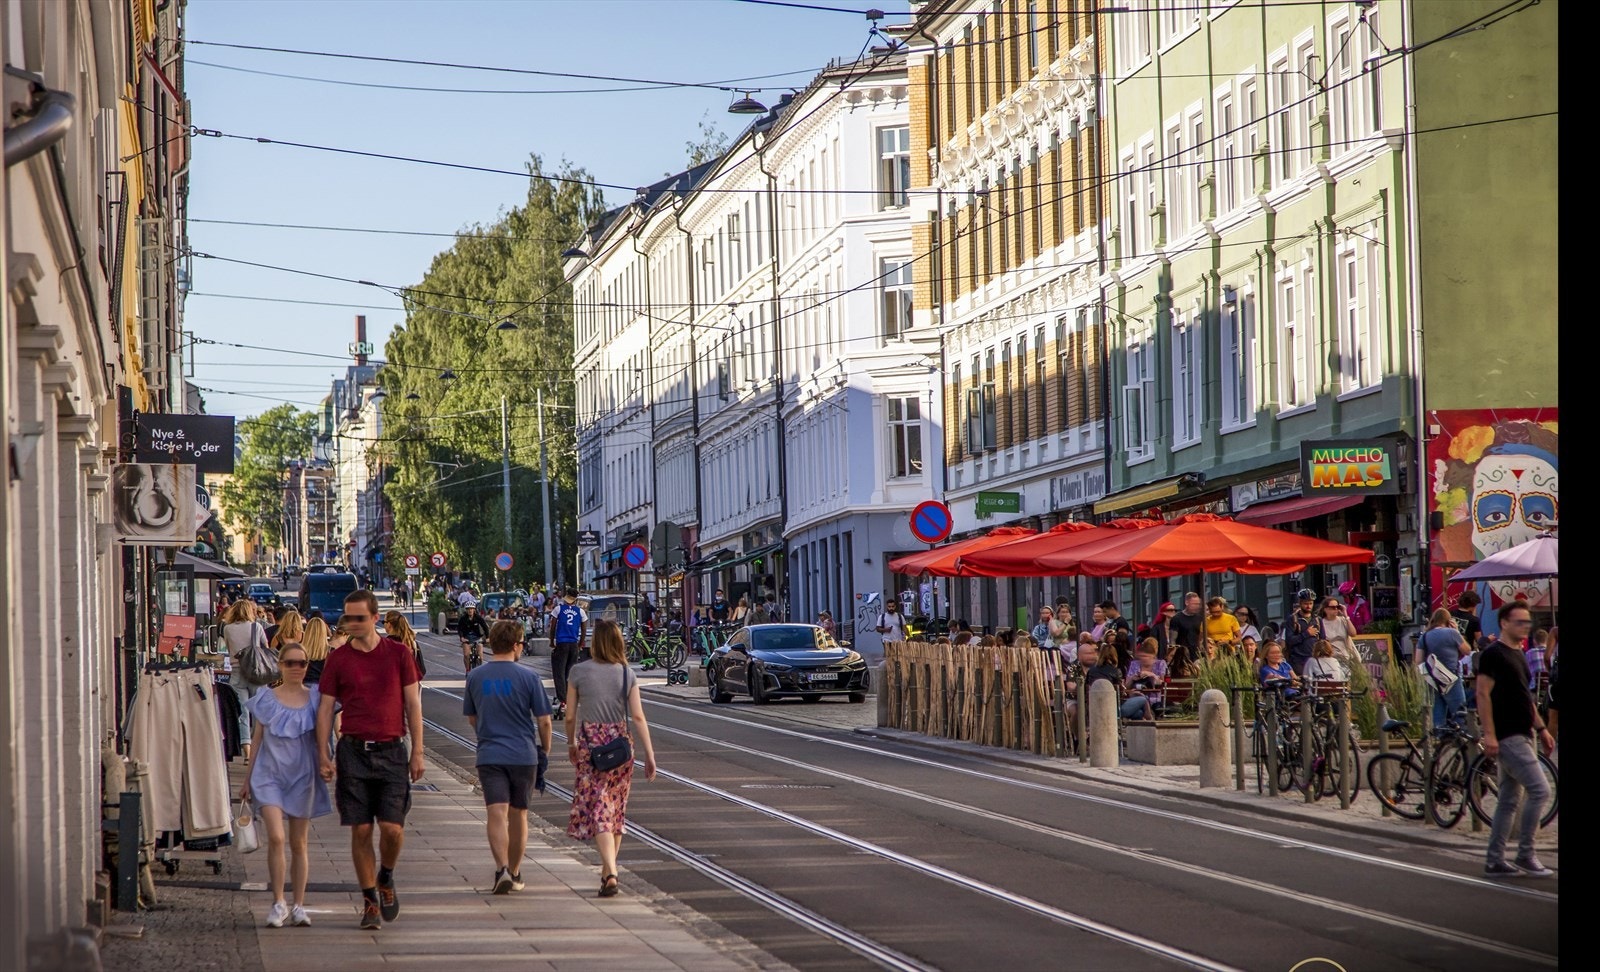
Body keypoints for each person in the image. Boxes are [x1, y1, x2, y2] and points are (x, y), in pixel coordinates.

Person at [315, 590, 425, 930]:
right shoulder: (339, 659)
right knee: (361, 829)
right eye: (349, 618)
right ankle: (369, 902)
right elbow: (325, 709)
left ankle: (386, 876)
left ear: (376, 618)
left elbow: (413, 704)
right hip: (353, 752)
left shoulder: (398, 653)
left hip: (392, 751)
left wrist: (418, 751)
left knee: (392, 829)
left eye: (360, 618)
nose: (353, 623)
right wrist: (323, 753)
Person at [241, 643, 332, 928]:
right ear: (280, 665)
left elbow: (326, 734)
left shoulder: (316, 697)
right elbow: (256, 739)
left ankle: (299, 905)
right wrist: (247, 778)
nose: (296, 668)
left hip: (303, 776)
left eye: (301, 663)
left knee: (299, 842)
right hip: (268, 775)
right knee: (277, 837)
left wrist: (328, 761)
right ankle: (278, 901)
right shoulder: (265, 698)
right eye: (290, 663)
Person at [566, 620, 657, 898]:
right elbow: (638, 716)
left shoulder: (578, 671)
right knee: (615, 810)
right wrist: (649, 754)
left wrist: (571, 742)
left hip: (591, 748)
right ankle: (608, 873)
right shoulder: (627, 673)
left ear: (595, 643)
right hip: (621, 749)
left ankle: (611, 872)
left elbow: (569, 716)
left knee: (598, 809)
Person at [465, 620, 553, 895]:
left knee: (496, 812)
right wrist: (545, 749)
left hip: (490, 754)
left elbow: (472, 717)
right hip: (523, 755)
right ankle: (514, 872)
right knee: (518, 815)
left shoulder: (475, 677)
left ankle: (501, 868)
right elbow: (544, 720)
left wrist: (486, 734)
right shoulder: (529, 677)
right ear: (515, 645)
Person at [1477, 601, 1555, 878]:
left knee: (1509, 800)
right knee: (1540, 790)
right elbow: (1482, 693)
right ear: (1504, 623)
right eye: (1519, 622)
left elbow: (1525, 696)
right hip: (1508, 735)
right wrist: (1489, 734)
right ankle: (1525, 853)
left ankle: (1495, 860)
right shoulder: (1493, 654)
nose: (1525, 627)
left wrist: (1542, 729)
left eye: (1527, 622)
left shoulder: (1519, 654)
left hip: (1524, 732)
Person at [1417, 608, 1468, 731]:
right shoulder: (1452, 633)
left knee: (1438, 716)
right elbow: (1466, 650)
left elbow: (1418, 660)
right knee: (1460, 713)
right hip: (1451, 678)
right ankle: (1460, 738)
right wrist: (1457, 631)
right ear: (1448, 621)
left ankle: (1440, 739)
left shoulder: (1424, 636)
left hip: (1432, 680)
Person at [548, 588, 588, 721]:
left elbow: (553, 626)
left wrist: (552, 641)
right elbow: (583, 629)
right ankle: (570, 700)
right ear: (575, 599)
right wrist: (580, 643)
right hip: (573, 645)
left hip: (562, 643)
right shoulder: (580, 612)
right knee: (569, 674)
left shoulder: (558, 609)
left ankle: (562, 701)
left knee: (558, 673)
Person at [1122, 640, 1167, 720]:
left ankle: (1148, 716)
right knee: (1138, 711)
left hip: (1154, 699)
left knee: (1139, 711)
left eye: (1146, 656)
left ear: (1153, 656)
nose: (1143, 659)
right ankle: (1149, 717)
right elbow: (1126, 687)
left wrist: (1152, 675)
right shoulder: (1134, 664)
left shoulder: (1160, 663)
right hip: (1136, 696)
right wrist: (1132, 678)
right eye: (1141, 656)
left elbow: (1162, 684)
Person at [1283, 589, 1322, 675]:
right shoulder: (1292, 619)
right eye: (1306, 603)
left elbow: (1323, 639)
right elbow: (1289, 640)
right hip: (1298, 660)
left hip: (1315, 659)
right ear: (1300, 603)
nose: (1308, 606)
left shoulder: (1317, 620)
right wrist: (1306, 634)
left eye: (1310, 603)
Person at [384, 611, 424, 682]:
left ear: (389, 624)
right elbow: (422, 670)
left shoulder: (385, 645)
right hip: (410, 686)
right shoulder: (412, 643)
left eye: (383, 622)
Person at [1169, 592, 1205, 671]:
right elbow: (1172, 640)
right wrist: (1173, 654)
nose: (1197, 606)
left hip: (1197, 653)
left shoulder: (1200, 618)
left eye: (1198, 604)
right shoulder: (1177, 618)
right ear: (1187, 603)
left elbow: (1202, 636)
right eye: (1194, 604)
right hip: (1183, 653)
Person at [300, 617, 332, 685]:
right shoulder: (331, 651)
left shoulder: (299, 650)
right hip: (322, 686)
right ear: (324, 632)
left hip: (303, 685)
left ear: (307, 631)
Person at [458, 604, 490, 671]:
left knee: (480, 654)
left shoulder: (478, 617)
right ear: (466, 610)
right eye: (468, 609)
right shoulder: (463, 618)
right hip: (467, 638)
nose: (470, 610)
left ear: (474, 610)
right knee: (466, 655)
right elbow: (459, 629)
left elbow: (485, 627)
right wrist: (462, 637)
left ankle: (479, 669)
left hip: (477, 637)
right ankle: (468, 670)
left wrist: (487, 637)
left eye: (471, 609)